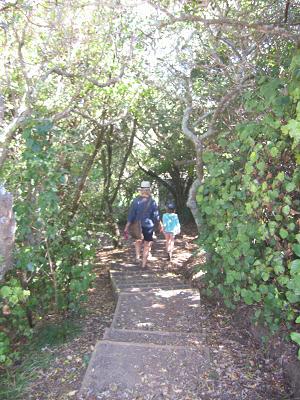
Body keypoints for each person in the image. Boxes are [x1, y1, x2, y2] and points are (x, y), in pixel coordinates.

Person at [124, 181, 162, 268]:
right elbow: (156, 216)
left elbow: (131, 215)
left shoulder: (135, 201)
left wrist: (127, 226)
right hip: (149, 225)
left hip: (137, 225)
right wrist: (160, 224)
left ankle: (137, 257)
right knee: (147, 244)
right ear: (149, 190)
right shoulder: (152, 201)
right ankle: (144, 263)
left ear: (141, 190)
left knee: (138, 241)